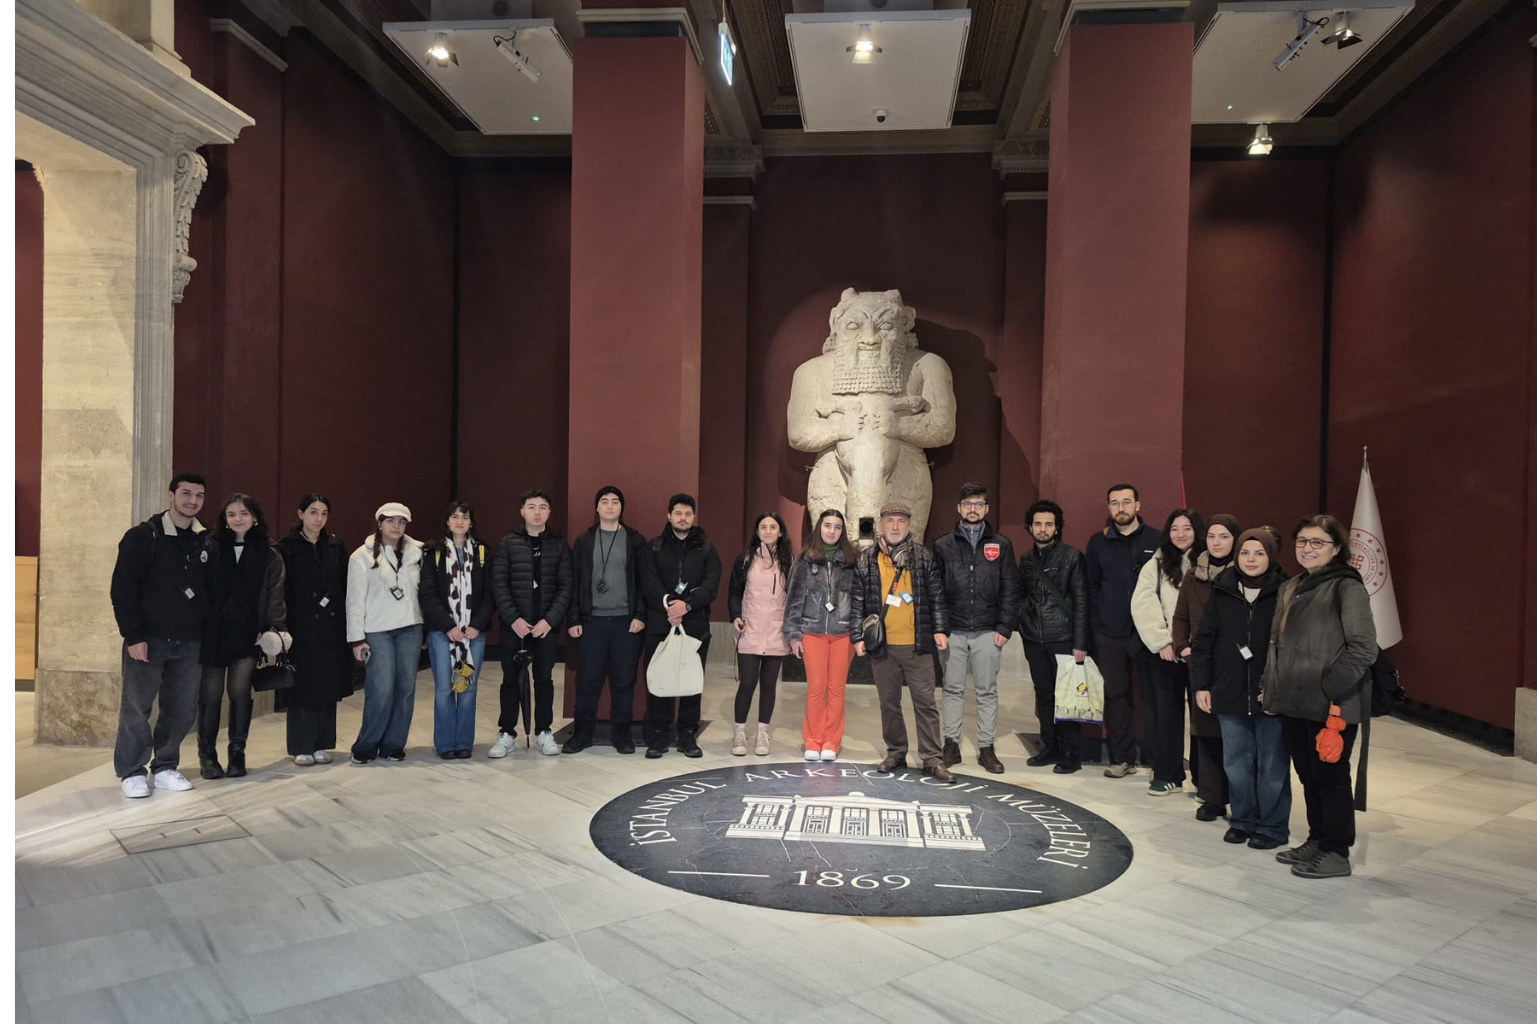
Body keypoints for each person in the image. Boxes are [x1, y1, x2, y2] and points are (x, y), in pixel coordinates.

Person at [1263, 514, 1378, 879]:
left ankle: (1337, 851)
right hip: (1294, 700)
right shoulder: (1292, 585)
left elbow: (1363, 648)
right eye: (1302, 541)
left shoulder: (1347, 587)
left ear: (1336, 548)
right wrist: (1272, 686)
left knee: (1331, 777)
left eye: (1317, 542)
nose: (1308, 548)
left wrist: (1329, 686)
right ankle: (1318, 839)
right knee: (1308, 775)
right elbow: (1277, 644)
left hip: (1333, 704)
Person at [109, 473, 218, 798]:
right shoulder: (143, 537)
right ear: (171, 496)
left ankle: (166, 766)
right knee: (136, 708)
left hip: (191, 642)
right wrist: (134, 636)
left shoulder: (206, 541)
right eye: (186, 493)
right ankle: (132, 771)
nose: (193, 501)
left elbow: (211, 592)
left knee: (181, 708)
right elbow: (123, 589)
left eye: (199, 495)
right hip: (149, 639)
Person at [1192, 528, 1291, 849]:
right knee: (1236, 763)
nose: (1251, 559)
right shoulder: (1223, 590)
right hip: (1229, 690)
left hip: (1270, 694)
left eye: (1259, 553)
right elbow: (1204, 640)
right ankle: (1243, 820)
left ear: (1271, 556)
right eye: (1245, 553)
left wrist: (1278, 687)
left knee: (1272, 765)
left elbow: (1293, 646)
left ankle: (1273, 826)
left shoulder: (1287, 591)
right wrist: (1202, 685)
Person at [851, 502, 952, 780]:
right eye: (890, 521)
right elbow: (857, 601)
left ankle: (932, 758)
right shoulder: (867, 559)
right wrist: (857, 636)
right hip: (883, 647)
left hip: (918, 645)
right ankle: (896, 753)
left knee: (926, 703)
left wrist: (940, 629)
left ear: (909, 525)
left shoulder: (923, 556)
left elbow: (936, 596)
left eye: (901, 521)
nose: (895, 526)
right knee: (889, 704)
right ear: (881, 524)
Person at [197, 494, 288, 780]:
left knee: (239, 692)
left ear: (255, 517)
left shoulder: (269, 553)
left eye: (244, 513)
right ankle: (207, 756)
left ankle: (237, 753)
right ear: (224, 519)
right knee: (210, 694)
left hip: (248, 632)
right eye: (232, 514)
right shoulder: (210, 546)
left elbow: (275, 595)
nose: (238, 519)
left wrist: (273, 627)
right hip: (213, 631)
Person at [933, 483, 1021, 774]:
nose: (973, 509)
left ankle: (986, 748)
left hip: (988, 630)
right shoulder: (943, 545)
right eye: (968, 504)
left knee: (987, 691)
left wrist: (1005, 627)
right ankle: (951, 744)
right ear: (959, 508)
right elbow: (935, 590)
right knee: (952, 689)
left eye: (979, 504)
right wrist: (940, 627)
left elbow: (1011, 588)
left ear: (987, 509)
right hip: (953, 630)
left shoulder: (1002, 544)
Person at [489, 490, 574, 758]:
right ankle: (507, 733)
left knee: (544, 679)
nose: (537, 512)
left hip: (546, 627)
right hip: (515, 627)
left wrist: (550, 620)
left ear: (549, 512)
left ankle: (544, 732)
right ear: (522, 511)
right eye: (532, 507)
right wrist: (513, 619)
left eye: (542, 507)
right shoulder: (508, 544)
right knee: (511, 680)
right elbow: (499, 584)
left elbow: (566, 586)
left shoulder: (559, 545)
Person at [1086, 483, 1163, 778]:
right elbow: (1092, 588)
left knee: (1153, 697)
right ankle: (1122, 758)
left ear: (1137, 505)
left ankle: (1158, 760)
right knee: (1116, 696)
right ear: (1109, 507)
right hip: (1110, 633)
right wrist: (1096, 627)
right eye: (1115, 502)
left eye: (1127, 501)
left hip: (1148, 633)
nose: (1121, 508)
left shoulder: (1157, 539)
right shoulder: (1098, 543)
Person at [566, 485, 648, 754]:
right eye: (604, 501)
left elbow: (643, 582)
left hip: (626, 622)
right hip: (591, 622)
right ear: (596, 507)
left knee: (624, 682)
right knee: (587, 682)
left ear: (622, 508)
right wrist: (574, 618)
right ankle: (582, 735)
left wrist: (640, 615)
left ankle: (621, 736)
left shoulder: (634, 540)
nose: (610, 506)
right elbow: (574, 582)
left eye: (615, 501)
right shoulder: (584, 540)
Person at [639, 493, 722, 759]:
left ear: (693, 517)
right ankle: (659, 734)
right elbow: (648, 584)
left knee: (691, 682)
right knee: (660, 679)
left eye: (687, 514)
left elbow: (711, 585)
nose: (683, 518)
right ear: (669, 516)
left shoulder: (707, 549)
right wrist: (669, 605)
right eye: (678, 513)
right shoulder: (653, 548)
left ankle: (687, 735)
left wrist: (685, 606)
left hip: (695, 626)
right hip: (660, 625)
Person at [1130, 508, 1205, 796]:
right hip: (1167, 653)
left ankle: (1205, 780)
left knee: (1203, 717)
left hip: (1202, 654)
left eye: (1187, 528)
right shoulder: (1157, 563)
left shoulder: (1209, 562)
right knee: (1166, 715)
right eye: (1175, 528)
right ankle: (1168, 774)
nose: (1180, 534)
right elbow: (1143, 603)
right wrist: (1163, 641)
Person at [1172, 514, 1243, 819]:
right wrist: (1183, 648)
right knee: (1207, 732)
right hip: (1201, 664)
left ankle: (1240, 798)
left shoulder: (1246, 573)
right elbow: (1181, 617)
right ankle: (1212, 797)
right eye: (1212, 536)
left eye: (1224, 536)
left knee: (1236, 735)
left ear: (1236, 540)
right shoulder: (1193, 574)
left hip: (1237, 667)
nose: (1216, 542)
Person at [277, 494, 352, 767]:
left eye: (323, 513)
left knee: (328, 685)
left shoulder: (334, 546)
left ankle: (322, 742)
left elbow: (344, 584)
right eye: (313, 512)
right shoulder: (286, 547)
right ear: (300, 514)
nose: (318, 519)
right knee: (303, 687)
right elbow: (280, 589)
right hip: (300, 625)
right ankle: (301, 745)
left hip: (330, 626)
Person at [347, 503, 424, 764]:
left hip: (411, 627)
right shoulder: (361, 556)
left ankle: (393, 745)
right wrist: (357, 639)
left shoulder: (418, 553)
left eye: (402, 521)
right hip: (377, 630)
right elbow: (354, 601)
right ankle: (366, 745)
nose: (396, 526)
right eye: (391, 520)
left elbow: (423, 592)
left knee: (405, 688)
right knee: (381, 689)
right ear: (379, 523)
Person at [1018, 499, 1091, 774]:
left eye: (1048, 524)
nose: (1043, 529)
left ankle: (1071, 753)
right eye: (1038, 524)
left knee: (1068, 698)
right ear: (1030, 527)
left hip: (1063, 638)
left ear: (1057, 528)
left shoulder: (1072, 557)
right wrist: (1023, 621)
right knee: (1044, 695)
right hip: (1034, 640)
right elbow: (1021, 595)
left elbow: (1082, 602)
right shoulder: (1026, 560)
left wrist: (1080, 644)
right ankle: (1050, 746)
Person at [419, 502, 493, 759]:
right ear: (447, 522)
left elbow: (490, 593)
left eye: (465, 517)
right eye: (455, 516)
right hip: (443, 634)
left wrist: (477, 625)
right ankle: (445, 744)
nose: (460, 521)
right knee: (445, 689)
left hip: (473, 635)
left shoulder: (482, 552)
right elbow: (427, 594)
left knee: (467, 688)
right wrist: (448, 626)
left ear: (471, 523)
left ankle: (463, 743)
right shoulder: (434, 553)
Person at [784, 509, 858, 762]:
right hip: (811, 632)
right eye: (827, 525)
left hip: (843, 634)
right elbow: (794, 598)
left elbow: (859, 599)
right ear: (819, 528)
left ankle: (831, 741)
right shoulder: (804, 558)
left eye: (837, 527)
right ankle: (813, 740)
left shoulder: (852, 560)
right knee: (816, 687)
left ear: (842, 531)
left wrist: (858, 633)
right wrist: (793, 633)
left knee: (836, 689)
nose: (832, 531)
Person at [728, 512, 793, 758]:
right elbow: (734, 591)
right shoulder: (745, 559)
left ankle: (762, 733)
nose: (768, 531)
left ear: (780, 531)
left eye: (772, 527)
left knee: (768, 685)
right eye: (763, 527)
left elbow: (794, 597)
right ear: (757, 531)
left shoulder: (790, 562)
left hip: (777, 631)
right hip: (750, 629)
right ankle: (739, 732)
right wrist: (735, 614)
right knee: (747, 683)